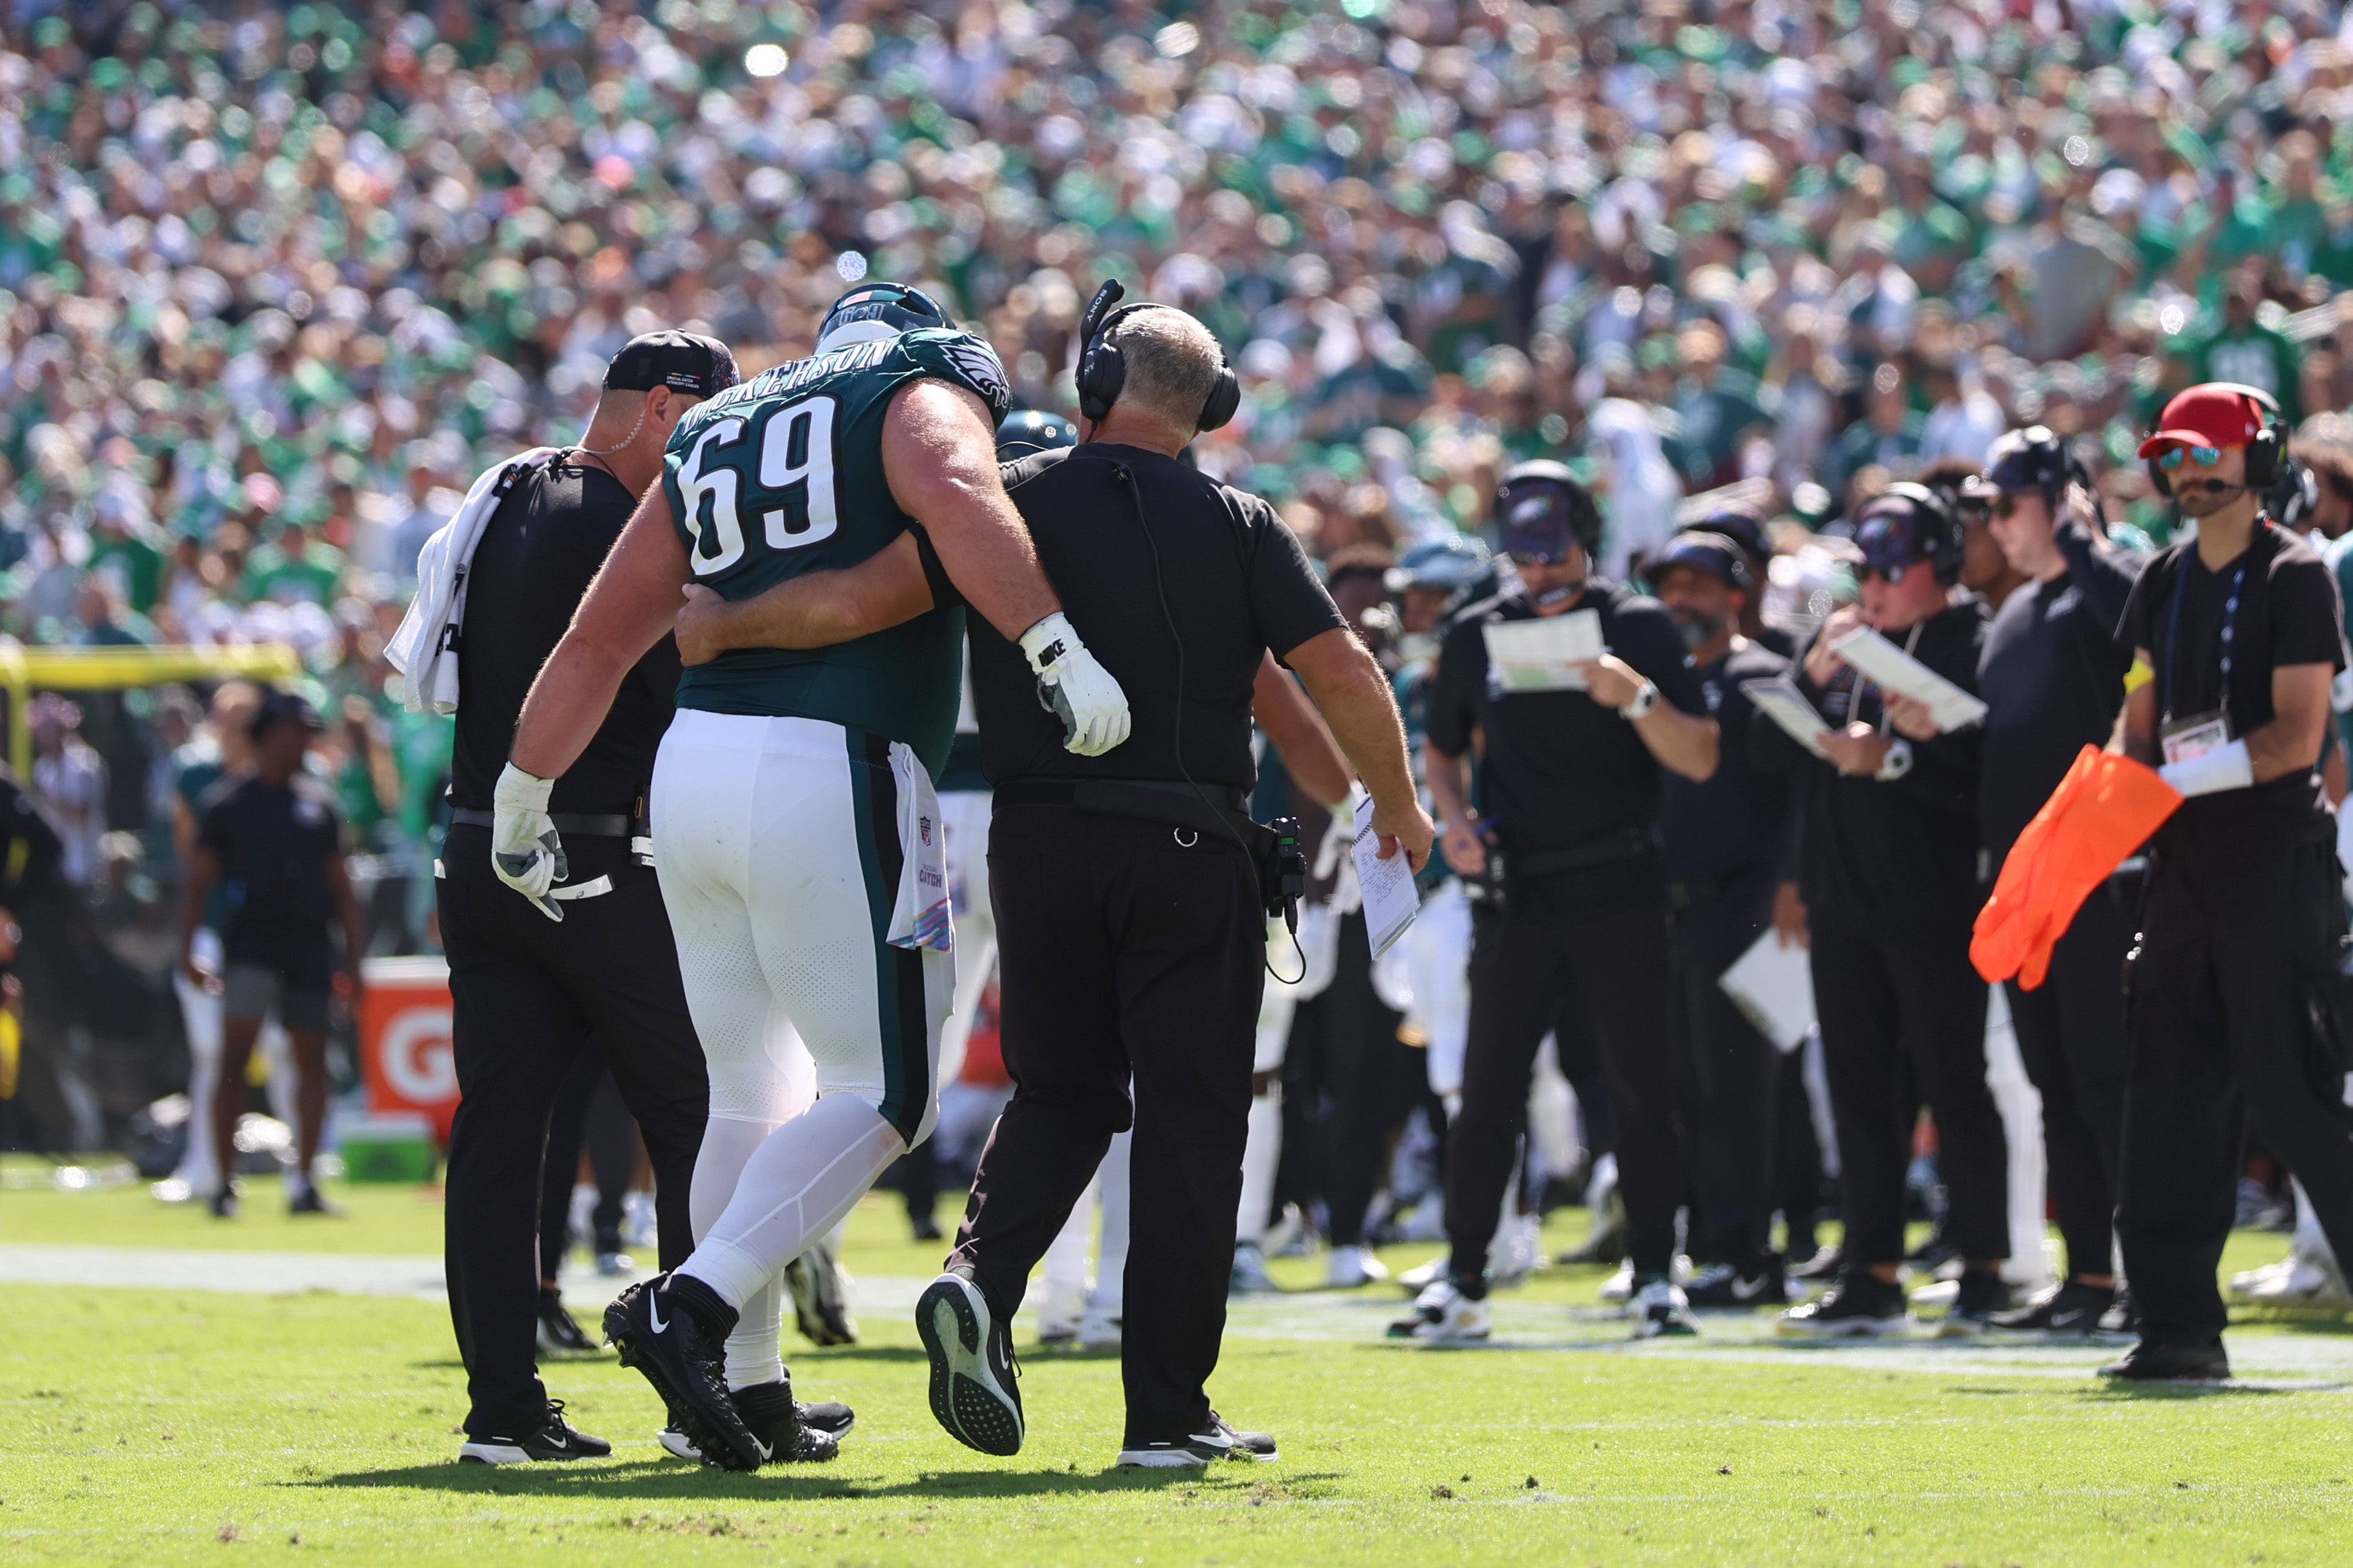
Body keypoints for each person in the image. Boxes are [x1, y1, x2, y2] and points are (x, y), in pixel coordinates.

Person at [664, 287, 1423, 1466]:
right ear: (1212, 407)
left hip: (1034, 840)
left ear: (1094, 387)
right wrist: (1402, 805)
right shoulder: (1240, 520)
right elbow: (1342, 668)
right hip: (1188, 842)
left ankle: (982, 1274)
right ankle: (1164, 1416)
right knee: (1188, 1123)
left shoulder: (1011, 501)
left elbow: (857, 603)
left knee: (1061, 1090)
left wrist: (724, 628)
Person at [503, 282, 1132, 1473]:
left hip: (688, 770)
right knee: (887, 1088)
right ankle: (690, 1308)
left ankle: (743, 1387)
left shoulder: (714, 428)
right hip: (831, 767)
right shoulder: (905, 388)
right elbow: (953, 488)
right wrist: (1054, 647)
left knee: (748, 1091)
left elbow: (598, 635)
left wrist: (523, 792)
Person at [1396, 461, 1720, 1345]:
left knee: (1639, 1084)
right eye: (1523, 556)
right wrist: (1454, 823)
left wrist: (1636, 694)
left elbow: (1697, 755)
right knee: (1487, 1089)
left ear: (1584, 537)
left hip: (1619, 881)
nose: (1537, 573)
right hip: (1520, 890)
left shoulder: (1638, 624)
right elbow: (1440, 750)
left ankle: (1656, 1268)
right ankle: (1464, 1272)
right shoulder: (1474, 631)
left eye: (1552, 553)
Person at [2107, 384, 2353, 1381]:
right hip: (2181, 871)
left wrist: (2167, 782)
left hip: (2271, 868)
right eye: (2177, 456)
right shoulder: (2161, 577)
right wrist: (2105, 816)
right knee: (2165, 1100)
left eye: (2210, 454)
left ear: (2259, 460)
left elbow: (2297, 739)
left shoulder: (2298, 575)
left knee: (2295, 1096)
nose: (2191, 473)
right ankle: (2175, 1328)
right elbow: (2134, 709)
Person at [1755, 483, 2011, 1338]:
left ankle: (1982, 1267)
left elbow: (1987, 775)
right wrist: (1809, 673)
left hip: (1933, 900)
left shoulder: (1971, 640)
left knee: (1951, 1085)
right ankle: (1870, 1269)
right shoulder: (1839, 641)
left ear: (1937, 566)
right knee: (1858, 1092)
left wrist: (1899, 758)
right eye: (1864, 568)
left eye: (1890, 568)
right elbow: (1764, 753)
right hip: (1841, 899)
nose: (1872, 585)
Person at [1967, 428, 2145, 1336]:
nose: (1993, 525)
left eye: (2006, 504)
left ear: (2055, 498)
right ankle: (2088, 1276)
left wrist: (2081, 538)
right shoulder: (2010, 612)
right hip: (2029, 884)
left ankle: (2149, 1276)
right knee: (2055, 1086)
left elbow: (2149, 621)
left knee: (2108, 1080)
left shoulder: (2100, 580)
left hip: (2100, 874)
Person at [1645, 531, 1799, 1309]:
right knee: (1686, 1083)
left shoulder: (1765, 675)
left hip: (1752, 903)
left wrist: (1797, 882)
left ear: (1735, 595)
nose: (1681, 602)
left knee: (1743, 1085)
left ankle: (1748, 1249)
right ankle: (1708, 1242)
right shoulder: (1659, 687)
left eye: (1697, 587)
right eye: (1669, 588)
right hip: (1675, 905)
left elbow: (1812, 781)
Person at [178, 691, 366, 1220]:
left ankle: (304, 1180)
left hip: (308, 948)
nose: (305, 738)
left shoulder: (319, 803)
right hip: (251, 947)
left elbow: (343, 890)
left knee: (311, 1062)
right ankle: (222, 1180)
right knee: (234, 1060)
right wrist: (188, 949)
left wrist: (354, 963)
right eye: (295, 728)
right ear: (268, 734)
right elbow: (197, 883)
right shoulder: (228, 802)